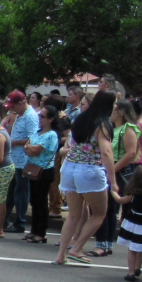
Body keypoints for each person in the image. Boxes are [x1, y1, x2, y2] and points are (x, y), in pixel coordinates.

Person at [54, 90, 118, 265]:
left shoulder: (81, 118)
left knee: (73, 215)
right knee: (99, 213)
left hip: (70, 167)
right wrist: (113, 180)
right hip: (89, 169)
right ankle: (77, 248)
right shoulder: (103, 123)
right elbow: (105, 151)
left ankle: (61, 254)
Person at [92, 100, 141, 256]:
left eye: (113, 110)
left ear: (120, 112)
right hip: (108, 167)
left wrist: (112, 170)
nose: (111, 113)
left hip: (118, 169)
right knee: (105, 208)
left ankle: (104, 243)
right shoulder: (111, 128)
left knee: (108, 207)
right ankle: (104, 242)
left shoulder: (127, 128)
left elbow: (131, 153)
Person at [110, 163, 142, 281]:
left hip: (133, 223)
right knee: (141, 247)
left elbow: (120, 200)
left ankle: (131, 272)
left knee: (132, 249)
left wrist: (113, 191)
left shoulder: (133, 194)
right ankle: (138, 267)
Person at [3, 90, 39, 234]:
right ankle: (3, 220)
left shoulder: (30, 116)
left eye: (13, 106)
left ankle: (20, 222)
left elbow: (33, 138)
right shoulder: (19, 115)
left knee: (21, 192)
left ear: (22, 102)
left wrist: (14, 142)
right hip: (15, 158)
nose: (12, 109)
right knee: (10, 192)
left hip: (24, 160)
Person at [23, 105, 60, 243]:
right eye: (39, 115)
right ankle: (33, 230)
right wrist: (30, 147)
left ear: (50, 119)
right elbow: (27, 147)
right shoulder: (37, 132)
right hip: (33, 168)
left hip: (44, 170)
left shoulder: (52, 134)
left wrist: (30, 147)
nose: (40, 118)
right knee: (34, 200)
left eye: (43, 116)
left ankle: (41, 231)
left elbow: (36, 149)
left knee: (41, 201)